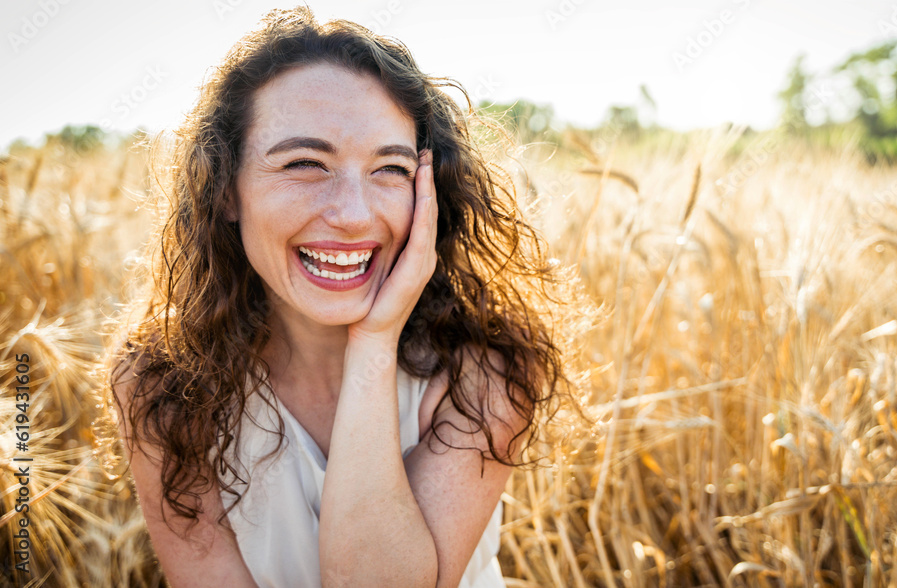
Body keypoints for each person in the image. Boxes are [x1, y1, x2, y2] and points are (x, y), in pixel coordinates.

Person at [99, 6, 586, 588]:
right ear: (226, 190)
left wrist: (375, 344)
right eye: (306, 163)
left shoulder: (484, 370)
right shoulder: (162, 386)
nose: (354, 216)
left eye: (390, 169)